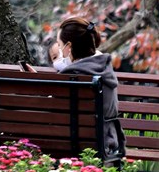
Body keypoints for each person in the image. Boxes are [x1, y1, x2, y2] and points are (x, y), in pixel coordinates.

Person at [50, 16, 126, 164]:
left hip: (70, 143)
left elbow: (53, 114)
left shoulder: (71, 77)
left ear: (69, 46)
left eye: (60, 46)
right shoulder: (105, 70)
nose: (60, 51)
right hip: (105, 142)